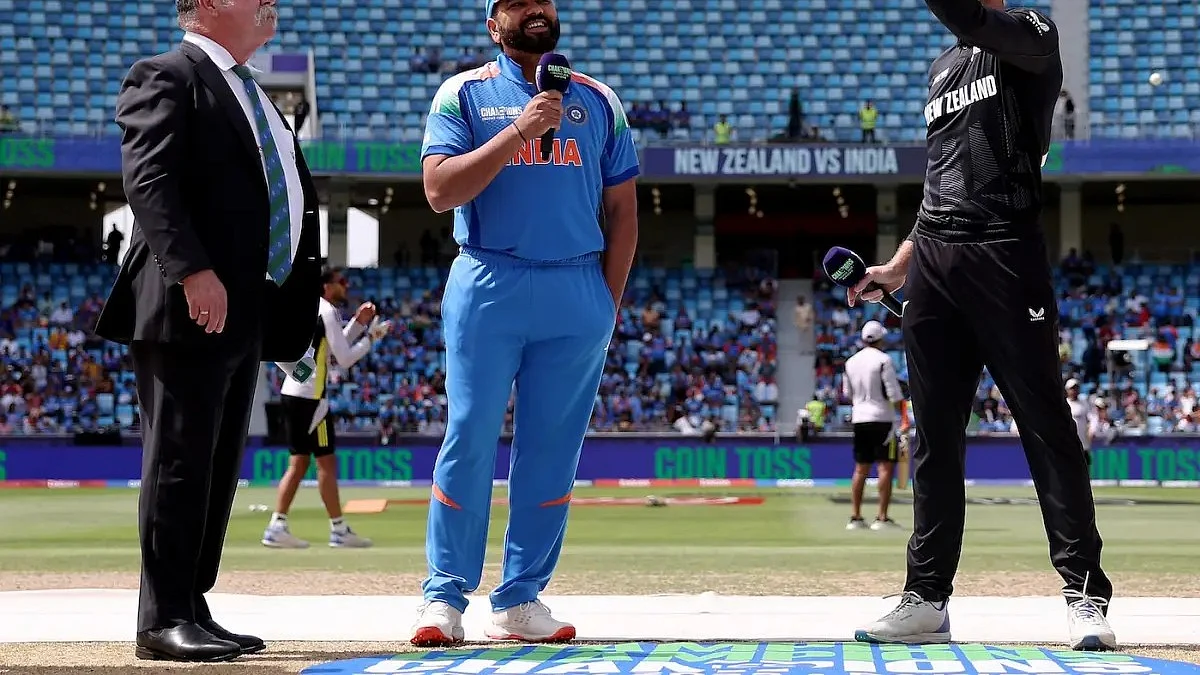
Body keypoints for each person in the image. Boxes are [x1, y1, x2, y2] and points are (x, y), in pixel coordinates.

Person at [847, 0, 1114, 652]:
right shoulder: (941, 68)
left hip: (1005, 250)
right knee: (934, 438)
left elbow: (973, 20)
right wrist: (899, 266)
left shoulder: (1031, 36)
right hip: (934, 260)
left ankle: (1085, 594)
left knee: (1046, 424)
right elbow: (941, 178)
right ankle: (927, 597)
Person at [93, 0, 321, 662]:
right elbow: (149, 179)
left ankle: (192, 602)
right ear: (212, 3)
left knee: (216, 468)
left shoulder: (251, 91)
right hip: (187, 301)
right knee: (178, 460)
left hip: (247, 306)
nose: (271, 4)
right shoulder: (167, 73)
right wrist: (192, 269)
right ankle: (161, 616)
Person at [410, 0, 639, 647]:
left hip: (577, 286)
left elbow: (623, 211)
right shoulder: (463, 94)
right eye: (518, 3)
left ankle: (519, 597)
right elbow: (439, 190)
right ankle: (444, 598)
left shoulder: (598, 100)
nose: (536, 11)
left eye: (544, 1)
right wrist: (520, 131)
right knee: (470, 436)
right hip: (489, 277)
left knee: (552, 454)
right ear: (493, 23)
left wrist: (607, 304)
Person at [261, 266, 388, 550]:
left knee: (303, 462)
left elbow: (329, 347)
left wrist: (357, 323)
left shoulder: (308, 306)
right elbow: (343, 358)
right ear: (327, 286)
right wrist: (372, 337)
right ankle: (329, 529)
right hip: (311, 398)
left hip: (295, 393)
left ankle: (286, 525)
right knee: (319, 463)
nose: (345, 286)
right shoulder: (327, 309)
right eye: (340, 282)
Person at [841, 321, 905, 531]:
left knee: (860, 468)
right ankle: (882, 518)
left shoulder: (850, 362)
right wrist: (903, 415)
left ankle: (855, 516)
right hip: (882, 418)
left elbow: (847, 394)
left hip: (859, 417)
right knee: (885, 466)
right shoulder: (883, 360)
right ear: (881, 339)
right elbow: (893, 393)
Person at [1065, 378, 1092, 467]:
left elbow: (1091, 418)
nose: (1074, 391)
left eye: (1076, 388)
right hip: (1069, 444)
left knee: (1086, 467)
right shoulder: (1065, 404)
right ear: (1067, 390)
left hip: (1084, 443)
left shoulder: (1084, 402)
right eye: (1072, 388)